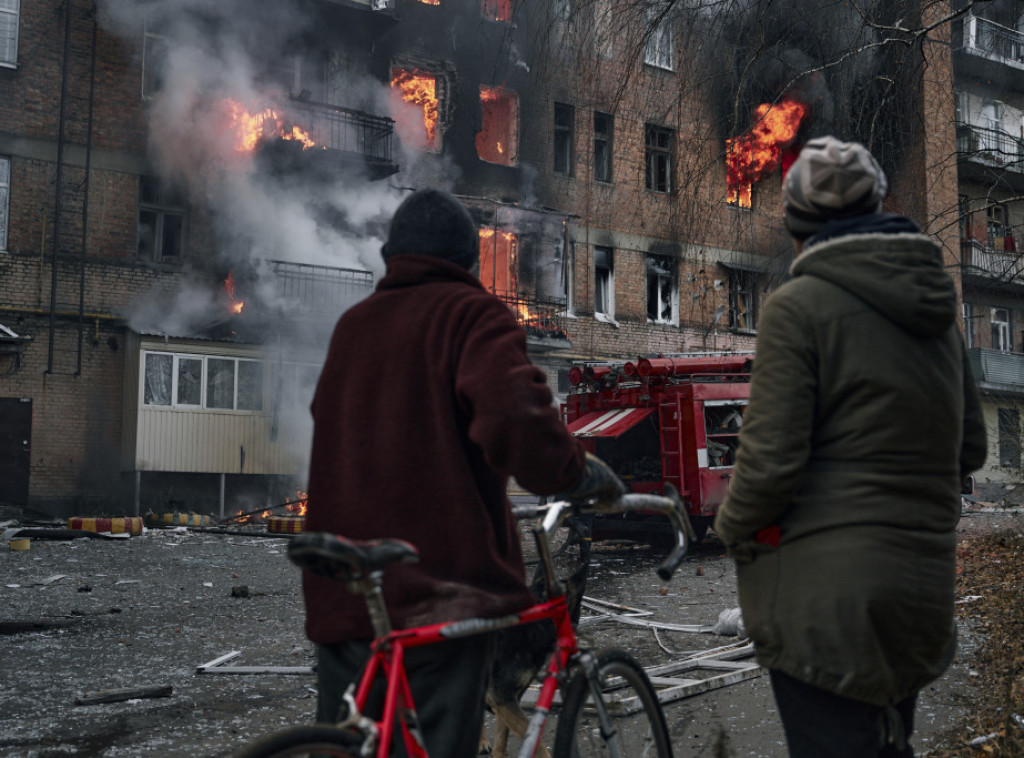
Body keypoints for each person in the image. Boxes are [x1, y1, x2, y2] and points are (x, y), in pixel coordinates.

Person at [301, 187, 621, 757]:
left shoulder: (353, 326)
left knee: (355, 747)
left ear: (390, 256)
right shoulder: (470, 314)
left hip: (341, 595)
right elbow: (514, 418)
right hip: (438, 592)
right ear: (469, 260)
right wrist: (575, 475)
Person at [713, 136, 987, 757]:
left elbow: (768, 466)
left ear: (798, 226)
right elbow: (969, 448)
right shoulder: (939, 314)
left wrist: (731, 531)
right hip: (917, 602)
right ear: (881, 205)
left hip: (826, 613)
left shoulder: (797, 309)